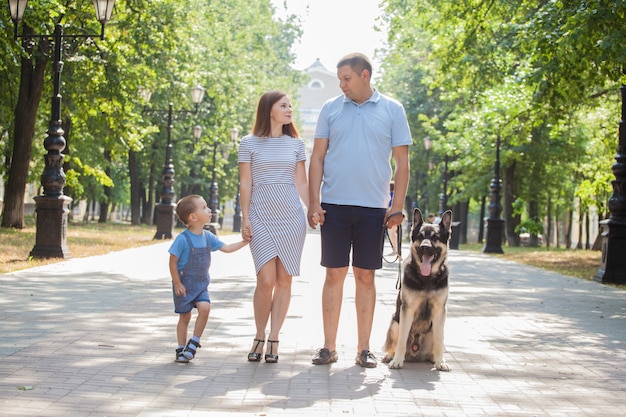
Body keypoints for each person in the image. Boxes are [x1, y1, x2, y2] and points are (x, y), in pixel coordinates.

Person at [308, 53, 412, 368]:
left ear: (364, 75)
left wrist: (397, 206)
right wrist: (314, 202)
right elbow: (317, 158)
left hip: (373, 208)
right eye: (339, 79)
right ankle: (328, 347)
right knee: (334, 274)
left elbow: (402, 162)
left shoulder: (393, 110)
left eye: (346, 79)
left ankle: (363, 348)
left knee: (365, 276)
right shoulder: (330, 109)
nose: (341, 85)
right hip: (334, 205)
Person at [238, 90, 315, 364]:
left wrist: (313, 208)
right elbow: (245, 183)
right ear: (269, 110)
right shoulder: (248, 143)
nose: (290, 109)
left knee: (284, 280)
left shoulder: (296, 144)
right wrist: (245, 217)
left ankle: (274, 337)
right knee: (265, 280)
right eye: (284, 105)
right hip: (260, 215)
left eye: (291, 105)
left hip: (291, 217)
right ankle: (259, 334)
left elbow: (302, 183)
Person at [168, 194, 249, 363]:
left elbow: (226, 248)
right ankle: (180, 348)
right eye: (204, 207)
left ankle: (194, 342)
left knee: (205, 308)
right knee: (185, 317)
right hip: (184, 285)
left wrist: (244, 242)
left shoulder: (208, 236)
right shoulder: (183, 239)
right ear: (193, 217)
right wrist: (177, 282)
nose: (210, 209)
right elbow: (172, 261)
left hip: (201, 285)